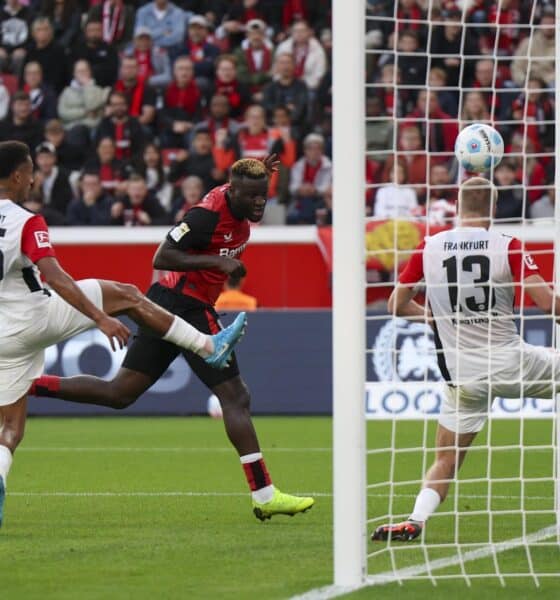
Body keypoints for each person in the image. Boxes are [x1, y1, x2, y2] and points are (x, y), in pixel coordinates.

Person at [31, 156, 314, 521]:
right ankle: (265, 495)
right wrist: (217, 262)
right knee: (236, 395)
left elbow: (248, 182)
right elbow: (163, 255)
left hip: (170, 303)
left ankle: (29, 386)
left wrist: (258, 171)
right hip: (183, 304)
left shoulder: (240, 195)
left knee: (120, 393)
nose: (260, 203)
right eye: (253, 197)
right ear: (233, 192)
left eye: (264, 196)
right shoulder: (205, 216)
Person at [0, 140, 247, 527]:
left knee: (8, 427)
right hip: (34, 317)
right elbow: (56, 277)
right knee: (128, 295)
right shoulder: (25, 221)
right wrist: (99, 318)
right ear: (16, 175)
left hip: (1, 337)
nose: (33, 179)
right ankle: (206, 343)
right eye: (31, 171)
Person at [372, 177, 560, 542]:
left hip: (463, 376)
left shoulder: (430, 246)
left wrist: (430, 317)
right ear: (493, 209)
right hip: (511, 362)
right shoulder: (509, 245)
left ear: (457, 206)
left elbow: (395, 304)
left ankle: (415, 519)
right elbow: (547, 304)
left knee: (446, 458)